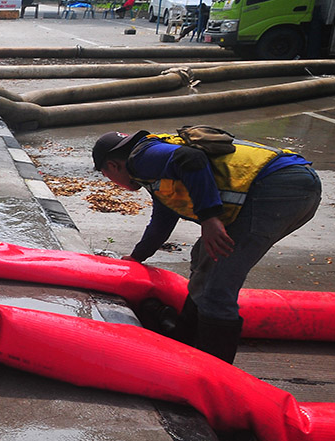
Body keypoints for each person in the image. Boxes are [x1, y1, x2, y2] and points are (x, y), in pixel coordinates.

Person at [92, 129, 322, 363]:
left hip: (280, 187)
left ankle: (212, 376)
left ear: (112, 165)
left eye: (106, 174)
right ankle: (187, 342)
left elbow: (192, 159)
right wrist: (136, 257)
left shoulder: (140, 158)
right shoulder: (155, 168)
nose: (113, 182)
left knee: (216, 288)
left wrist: (209, 219)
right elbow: (162, 221)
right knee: (203, 257)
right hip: (296, 183)